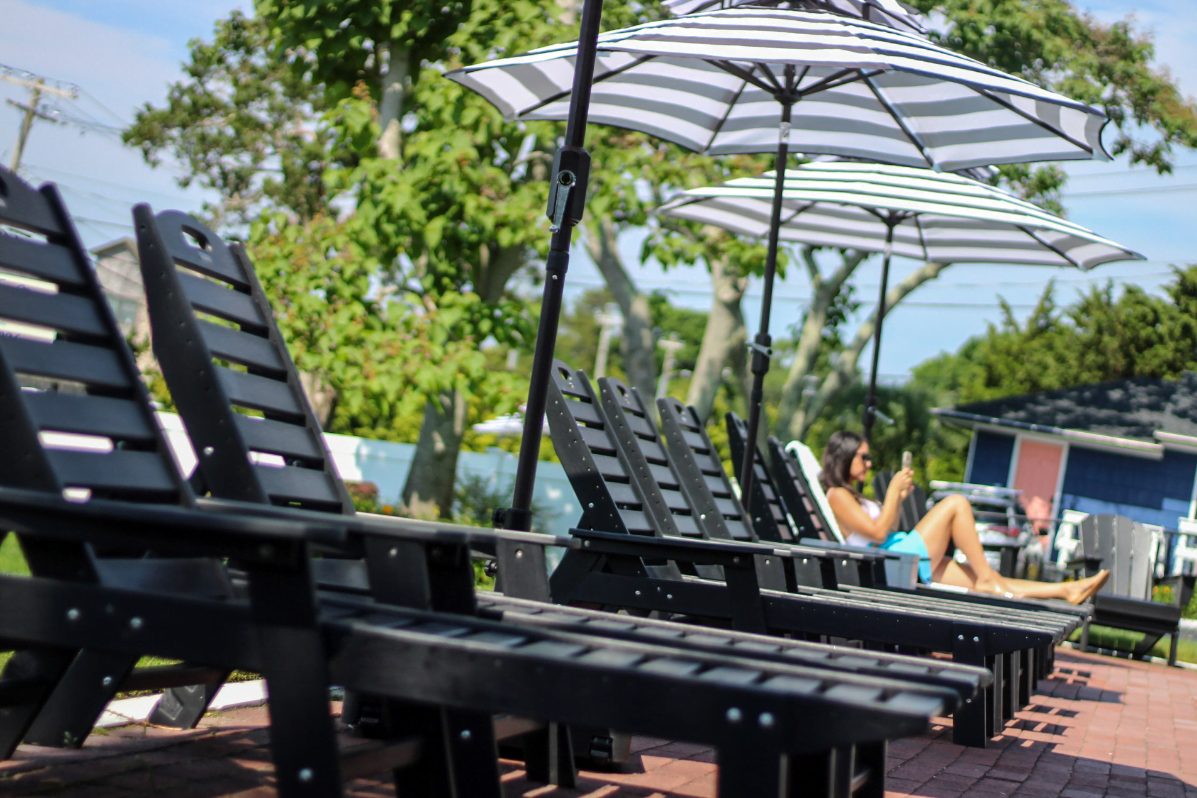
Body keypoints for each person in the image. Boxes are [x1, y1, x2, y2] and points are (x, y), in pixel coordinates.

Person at [820, 430, 1108, 605]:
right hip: (888, 563)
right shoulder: (837, 495)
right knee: (956, 503)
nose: (869, 464)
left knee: (993, 580)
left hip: (898, 556)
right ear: (844, 456)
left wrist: (897, 501)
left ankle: (1066, 589)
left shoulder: (853, 495)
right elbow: (878, 534)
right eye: (863, 457)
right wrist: (893, 492)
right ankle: (984, 577)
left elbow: (884, 528)